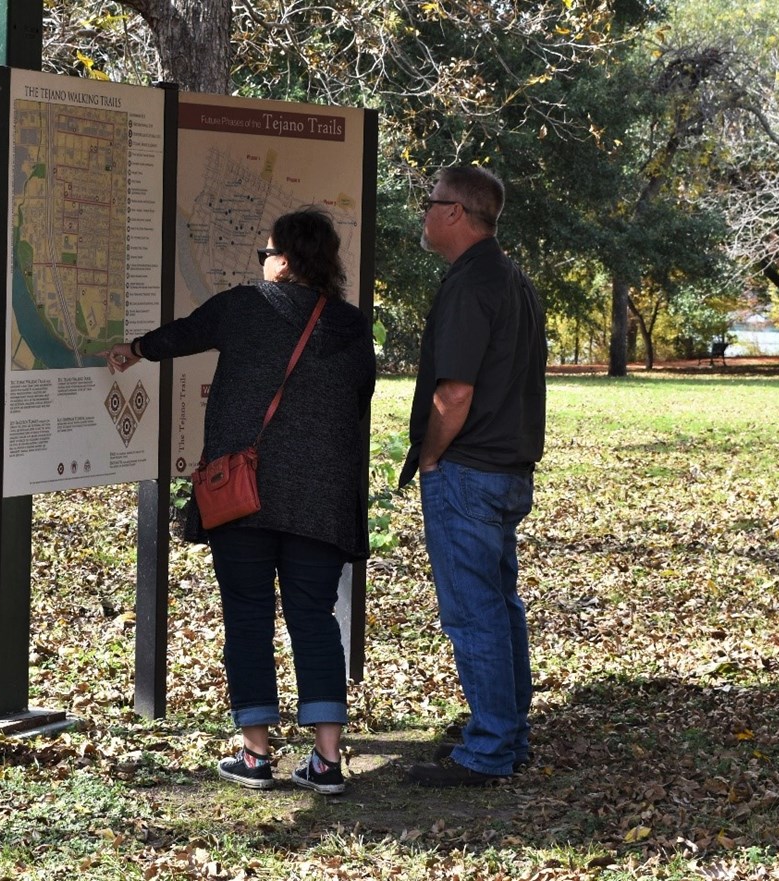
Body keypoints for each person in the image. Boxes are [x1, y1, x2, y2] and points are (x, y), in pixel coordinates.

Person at [108, 208, 375, 795]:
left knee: (248, 617)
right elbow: (360, 397)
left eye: (267, 252)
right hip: (320, 500)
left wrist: (132, 349)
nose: (264, 262)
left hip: (242, 494)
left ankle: (256, 755)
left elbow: (181, 335)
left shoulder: (245, 305)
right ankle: (327, 762)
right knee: (314, 618)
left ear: (283, 258)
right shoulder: (352, 326)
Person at [398, 167, 547, 787]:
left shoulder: (470, 284)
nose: (424, 213)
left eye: (430, 203)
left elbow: (453, 393)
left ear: (457, 213)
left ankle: (488, 750)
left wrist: (430, 456)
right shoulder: (512, 278)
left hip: (469, 469)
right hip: (506, 467)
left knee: (473, 613)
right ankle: (507, 734)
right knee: (499, 605)